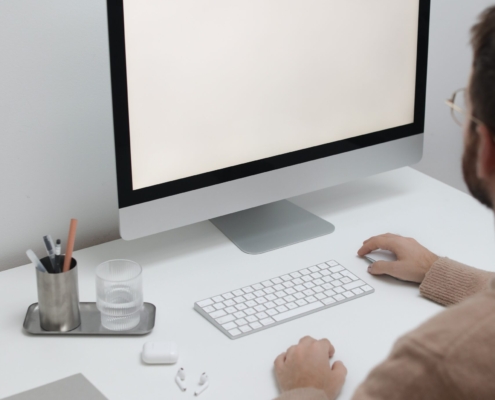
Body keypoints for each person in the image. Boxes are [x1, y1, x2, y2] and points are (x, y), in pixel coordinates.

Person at [273, 6, 495, 400]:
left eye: (464, 111)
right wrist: (437, 272)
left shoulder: (436, 364)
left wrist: (305, 388)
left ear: (487, 150)